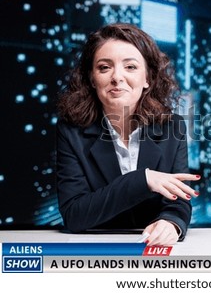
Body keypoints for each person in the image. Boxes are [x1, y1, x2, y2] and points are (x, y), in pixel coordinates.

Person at [56, 23, 200, 245]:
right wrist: (142, 180)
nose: (117, 77)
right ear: (92, 79)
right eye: (104, 68)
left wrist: (171, 222)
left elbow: (178, 199)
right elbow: (74, 214)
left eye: (130, 67)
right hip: (95, 253)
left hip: (152, 256)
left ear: (148, 79)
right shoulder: (72, 131)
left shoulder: (173, 126)